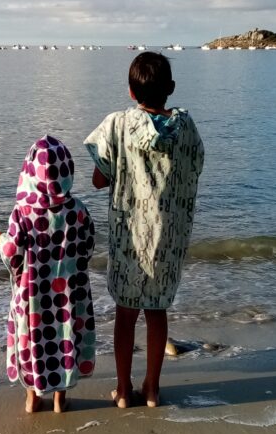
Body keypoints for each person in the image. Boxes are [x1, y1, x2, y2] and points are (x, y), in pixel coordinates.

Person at [84, 52, 205, 408]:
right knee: (156, 311)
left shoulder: (118, 125)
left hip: (129, 238)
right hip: (168, 237)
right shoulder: (186, 127)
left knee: (126, 312)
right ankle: (152, 387)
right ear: (171, 88)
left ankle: (123, 390)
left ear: (130, 92)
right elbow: (195, 166)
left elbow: (97, 179)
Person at [0, 136, 96, 414]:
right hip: (68, 292)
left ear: (29, 172)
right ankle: (59, 399)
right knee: (65, 336)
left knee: (33, 340)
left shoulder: (23, 213)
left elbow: (10, 250)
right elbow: (87, 247)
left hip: (33, 295)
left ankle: (32, 396)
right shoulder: (78, 211)